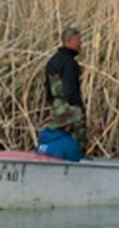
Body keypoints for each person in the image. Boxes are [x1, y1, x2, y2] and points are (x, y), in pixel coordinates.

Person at [37, 26, 86, 161]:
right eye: (78, 40)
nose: (80, 43)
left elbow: (47, 86)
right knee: (77, 139)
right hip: (70, 106)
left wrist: (52, 103)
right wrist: (78, 106)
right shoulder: (70, 63)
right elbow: (71, 89)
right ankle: (77, 165)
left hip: (56, 106)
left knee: (57, 134)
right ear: (70, 41)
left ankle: (52, 157)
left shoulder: (53, 61)